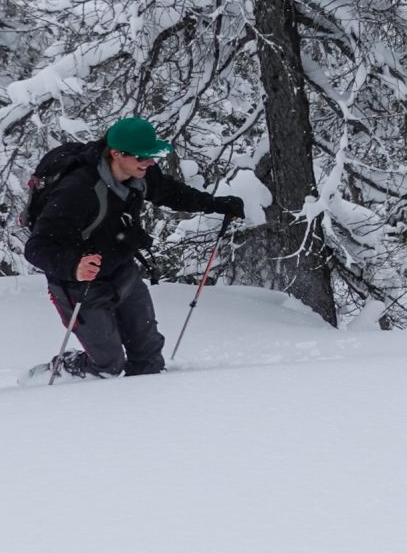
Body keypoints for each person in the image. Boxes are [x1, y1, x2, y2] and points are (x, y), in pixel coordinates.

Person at [24, 115, 246, 380]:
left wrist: (216, 205)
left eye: (152, 156)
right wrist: (74, 266)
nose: (150, 162)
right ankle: (58, 372)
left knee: (149, 359)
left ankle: (147, 415)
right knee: (108, 366)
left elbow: (171, 193)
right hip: (80, 285)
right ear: (116, 153)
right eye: (143, 157)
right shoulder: (78, 190)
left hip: (122, 271)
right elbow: (36, 247)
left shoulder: (140, 174)